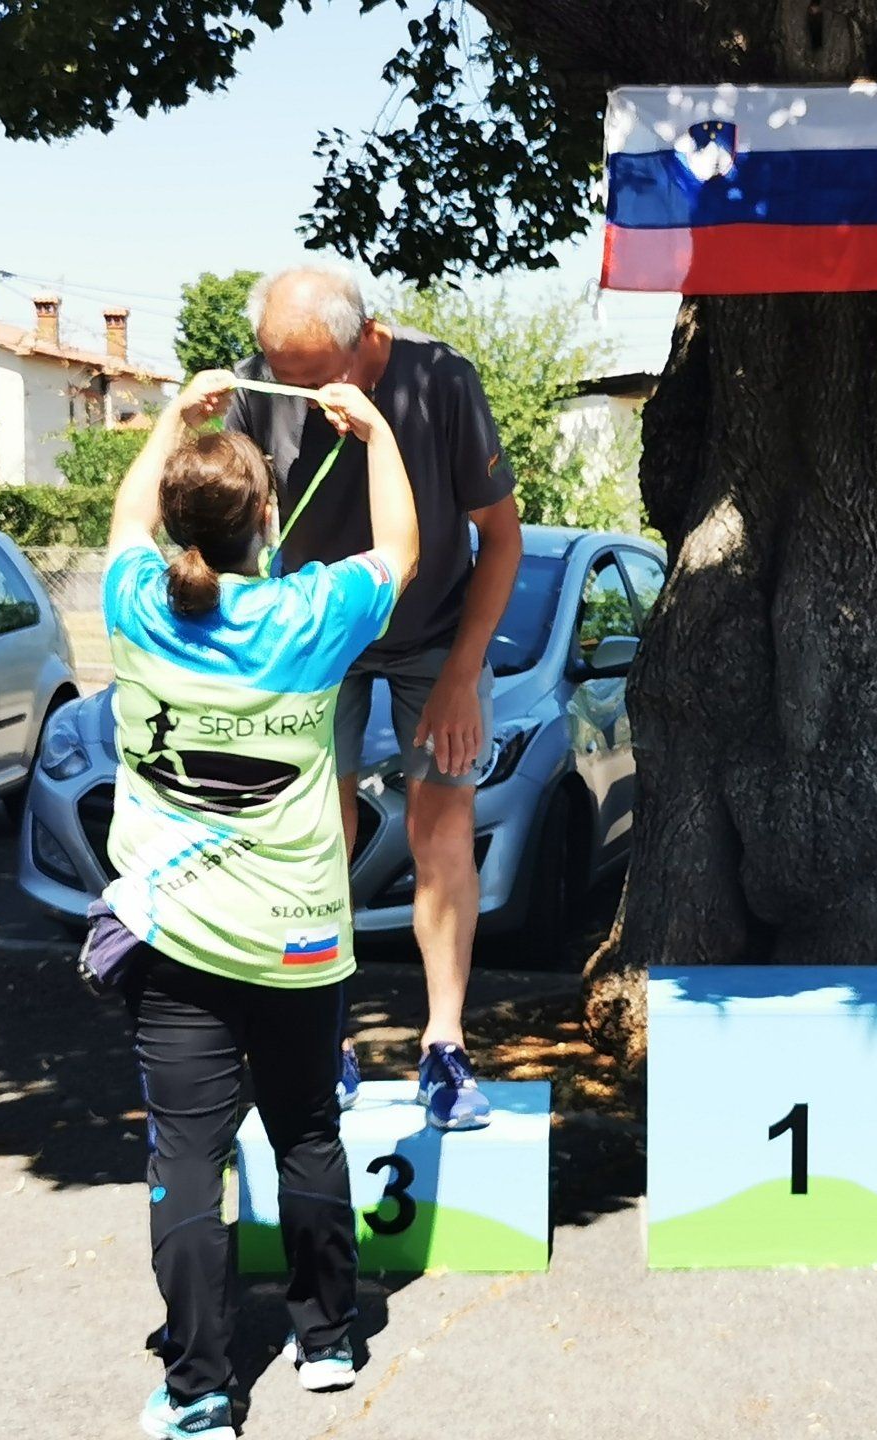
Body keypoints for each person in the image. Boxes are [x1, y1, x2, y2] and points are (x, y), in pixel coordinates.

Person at [100, 369, 419, 1439]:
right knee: (307, 1133)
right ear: (268, 520)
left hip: (172, 936)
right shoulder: (309, 615)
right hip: (297, 939)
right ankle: (326, 1341)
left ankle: (198, 1389)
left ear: (178, 522)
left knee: (187, 1159)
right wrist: (375, 434)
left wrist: (170, 419)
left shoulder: (133, 603)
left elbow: (126, 519)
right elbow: (402, 549)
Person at [226, 263, 522, 1131]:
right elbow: (226, 525)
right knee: (317, 833)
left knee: (441, 827)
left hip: (435, 636)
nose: (295, 390)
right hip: (322, 634)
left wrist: (463, 675)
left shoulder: (441, 380)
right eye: (279, 370)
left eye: (314, 375)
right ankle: (327, 1039)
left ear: (363, 342)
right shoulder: (256, 384)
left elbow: (501, 539)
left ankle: (445, 1045)